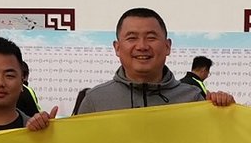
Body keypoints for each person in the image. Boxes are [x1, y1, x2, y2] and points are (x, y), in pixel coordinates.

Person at [74, 8, 233, 113]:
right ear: (117, 48)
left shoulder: (193, 99)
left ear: (167, 46)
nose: (142, 46)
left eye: (151, 38)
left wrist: (226, 111)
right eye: (132, 38)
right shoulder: (95, 100)